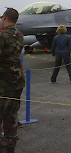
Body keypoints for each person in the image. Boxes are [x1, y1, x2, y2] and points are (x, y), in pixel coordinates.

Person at [0, 8, 25, 153]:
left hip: (3, 83)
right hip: (17, 81)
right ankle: (10, 146)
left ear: (4, 18)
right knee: (11, 116)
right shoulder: (19, 35)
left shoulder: (3, 36)